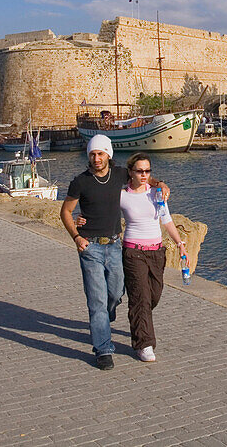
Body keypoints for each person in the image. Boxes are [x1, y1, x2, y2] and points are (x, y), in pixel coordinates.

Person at [60, 135, 168, 370]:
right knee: (97, 300)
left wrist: (161, 184)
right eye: (92, 154)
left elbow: (144, 178)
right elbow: (66, 212)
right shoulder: (80, 182)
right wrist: (76, 237)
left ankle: (107, 315)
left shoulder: (119, 174)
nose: (96, 158)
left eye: (100, 154)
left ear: (108, 154)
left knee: (116, 291)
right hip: (90, 247)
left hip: (115, 245)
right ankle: (103, 349)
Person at [119, 152, 187, 362]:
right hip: (133, 251)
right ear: (130, 172)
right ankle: (144, 344)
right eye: (139, 171)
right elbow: (104, 212)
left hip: (156, 252)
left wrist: (180, 244)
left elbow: (166, 221)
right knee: (141, 298)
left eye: (147, 171)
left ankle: (138, 320)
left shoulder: (157, 194)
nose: (144, 174)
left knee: (153, 296)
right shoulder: (121, 195)